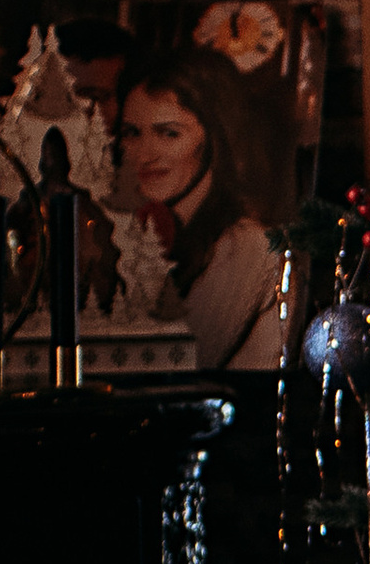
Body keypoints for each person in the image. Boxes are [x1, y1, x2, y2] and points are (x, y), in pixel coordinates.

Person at [114, 41, 283, 369]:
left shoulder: (251, 245)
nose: (144, 155)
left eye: (169, 134)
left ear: (214, 138)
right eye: (132, 133)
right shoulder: (138, 232)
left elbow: (189, 356)